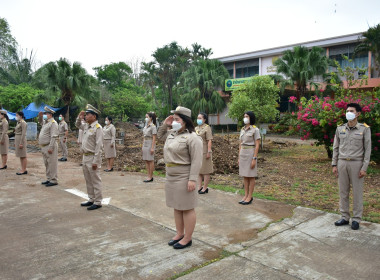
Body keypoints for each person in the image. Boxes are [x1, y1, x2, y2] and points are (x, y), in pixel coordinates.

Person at [157, 106, 202, 249]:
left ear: (185, 121)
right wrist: (166, 123)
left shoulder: (193, 138)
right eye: (174, 119)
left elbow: (197, 160)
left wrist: (192, 179)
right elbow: (160, 135)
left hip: (184, 175)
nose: (174, 121)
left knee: (187, 208)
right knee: (177, 206)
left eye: (177, 119)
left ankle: (187, 238)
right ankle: (179, 233)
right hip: (170, 175)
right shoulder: (172, 134)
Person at [332, 103, 371, 230]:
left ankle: (356, 219)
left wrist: (364, 167)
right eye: (347, 110)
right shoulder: (340, 128)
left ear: (358, 113)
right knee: (343, 191)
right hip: (342, 162)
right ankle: (344, 217)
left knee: (357, 193)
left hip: (356, 163)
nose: (348, 112)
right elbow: (335, 148)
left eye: (352, 111)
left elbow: (368, 150)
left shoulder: (364, 129)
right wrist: (334, 164)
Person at [76, 104, 104, 210]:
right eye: (86, 115)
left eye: (88, 115)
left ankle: (98, 201)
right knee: (88, 179)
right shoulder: (86, 126)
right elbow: (78, 125)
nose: (86, 116)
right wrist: (79, 117)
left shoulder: (98, 128)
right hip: (85, 156)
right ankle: (91, 198)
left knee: (95, 180)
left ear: (94, 116)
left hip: (93, 157)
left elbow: (99, 146)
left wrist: (96, 161)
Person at [238, 111, 260, 205]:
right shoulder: (242, 129)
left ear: (251, 117)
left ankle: (250, 196)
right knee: (245, 176)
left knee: (251, 176)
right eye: (244, 116)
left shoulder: (255, 130)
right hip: (243, 153)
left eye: (246, 116)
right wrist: (239, 157)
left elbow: (257, 145)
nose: (245, 118)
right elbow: (240, 144)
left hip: (250, 153)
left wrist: (254, 158)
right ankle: (245, 195)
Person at [38, 107, 59, 187]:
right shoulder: (45, 122)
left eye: (45, 114)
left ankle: (53, 180)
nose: (44, 115)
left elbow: (54, 136)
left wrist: (51, 147)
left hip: (49, 146)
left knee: (52, 163)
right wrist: (40, 116)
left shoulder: (53, 123)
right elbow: (40, 121)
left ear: (50, 115)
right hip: (44, 146)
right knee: (46, 163)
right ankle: (49, 178)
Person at [195, 113, 213, 194]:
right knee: (199, 170)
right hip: (197, 151)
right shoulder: (196, 128)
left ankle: (205, 187)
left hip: (205, 150)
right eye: (198, 118)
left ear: (204, 119)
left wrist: (209, 151)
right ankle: (199, 186)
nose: (198, 119)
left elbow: (209, 140)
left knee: (205, 170)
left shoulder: (207, 128)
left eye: (200, 118)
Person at [142, 112, 157, 182]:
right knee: (146, 160)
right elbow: (144, 136)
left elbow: (154, 138)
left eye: (147, 117)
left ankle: (150, 176)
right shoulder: (145, 126)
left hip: (150, 142)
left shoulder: (153, 126)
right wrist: (142, 145)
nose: (146, 118)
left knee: (150, 160)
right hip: (145, 143)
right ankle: (148, 175)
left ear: (151, 118)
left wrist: (152, 147)